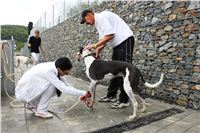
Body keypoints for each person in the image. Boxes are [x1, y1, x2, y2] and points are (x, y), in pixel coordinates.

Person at [80, 10, 134, 109]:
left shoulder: (101, 17)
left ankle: (124, 100)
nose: (87, 24)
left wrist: (94, 45)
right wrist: (98, 49)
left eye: (86, 21)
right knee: (114, 70)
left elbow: (110, 35)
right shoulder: (98, 23)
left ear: (89, 14)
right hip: (117, 46)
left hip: (125, 41)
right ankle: (111, 95)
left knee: (124, 70)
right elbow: (103, 39)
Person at [15, 57, 91, 118]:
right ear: (59, 69)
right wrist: (85, 93)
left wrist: (81, 95)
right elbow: (64, 88)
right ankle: (41, 111)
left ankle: (32, 104)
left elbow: (66, 84)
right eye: (66, 73)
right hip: (23, 93)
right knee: (53, 86)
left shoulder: (55, 66)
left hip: (28, 91)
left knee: (54, 84)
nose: (66, 74)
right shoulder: (49, 71)